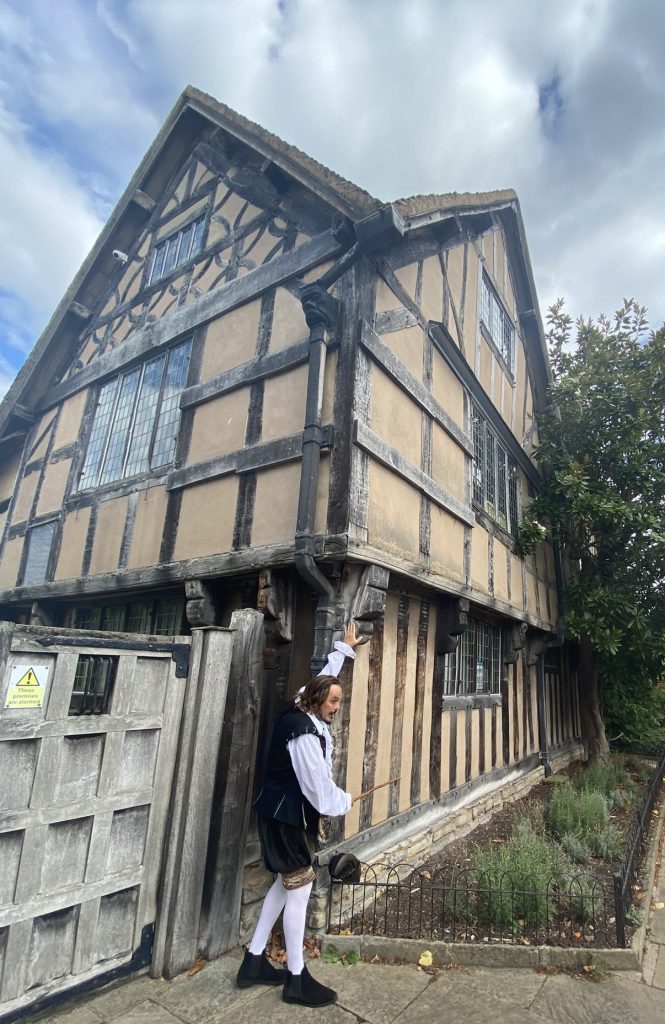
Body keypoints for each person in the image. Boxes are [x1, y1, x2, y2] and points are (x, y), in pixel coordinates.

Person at [235, 621, 366, 1006]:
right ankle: (296, 977)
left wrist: (342, 650)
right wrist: (344, 801)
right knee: (300, 889)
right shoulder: (304, 734)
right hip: (287, 820)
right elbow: (317, 790)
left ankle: (254, 960)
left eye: (339, 701)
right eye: (333, 703)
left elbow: (323, 679)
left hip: (283, 815)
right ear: (316, 702)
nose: (336, 707)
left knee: (284, 884)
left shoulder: (303, 704)